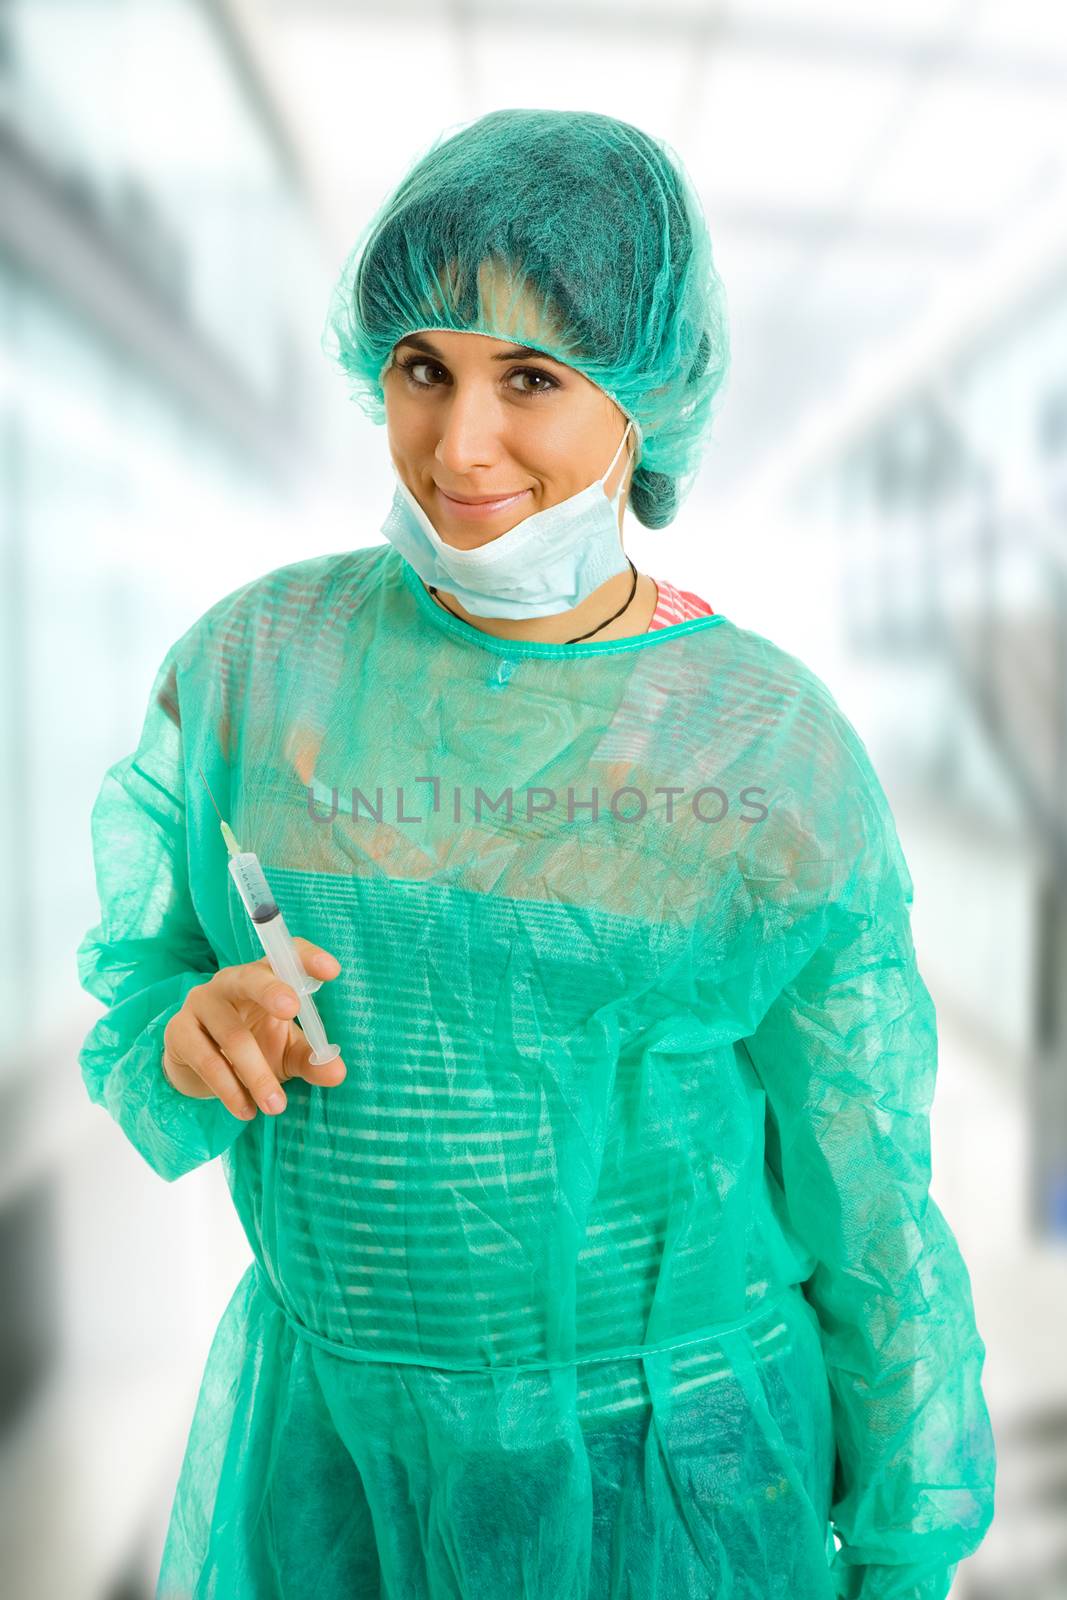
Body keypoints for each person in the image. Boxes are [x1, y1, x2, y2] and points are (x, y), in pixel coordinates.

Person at [76, 108, 996, 1600]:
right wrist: (192, 1030)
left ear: (645, 402)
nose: (461, 442)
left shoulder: (764, 749)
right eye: (424, 367)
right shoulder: (255, 672)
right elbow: (146, 980)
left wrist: (906, 1535)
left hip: (682, 1490)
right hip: (341, 1465)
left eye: (534, 379)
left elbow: (869, 1196)